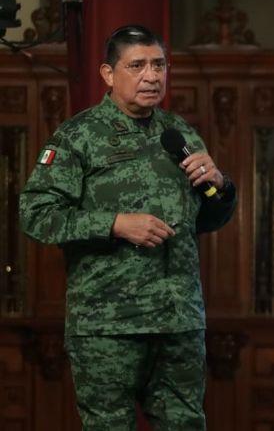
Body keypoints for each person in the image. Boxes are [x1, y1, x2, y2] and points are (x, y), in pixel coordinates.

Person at [19, 24, 237, 430]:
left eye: (159, 65)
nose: (152, 76)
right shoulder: (77, 137)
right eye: (137, 66)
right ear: (108, 73)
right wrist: (115, 224)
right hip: (108, 324)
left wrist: (220, 186)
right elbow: (36, 214)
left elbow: (204, 220)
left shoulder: (180, 133)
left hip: (179, 321)